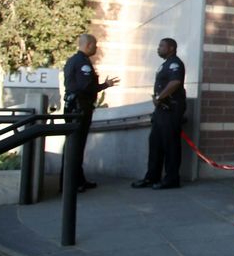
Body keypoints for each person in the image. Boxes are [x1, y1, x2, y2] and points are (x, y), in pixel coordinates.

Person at [62, 33, 119, 192]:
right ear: (88, 45)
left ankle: (76, 180)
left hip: (74, 107)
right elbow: (86, 86)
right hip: (80, 108)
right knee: (76, 146)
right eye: (95, 45)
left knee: (74, 146)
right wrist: (104, 86)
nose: (96, 47)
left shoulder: (73, 60)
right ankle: (73, 183)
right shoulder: (82, 63)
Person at [132, 38, 186, 190]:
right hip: (161, 110)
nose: (158, 48)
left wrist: (160, 97)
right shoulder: (165, 64)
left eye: (161, 46)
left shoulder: (175, 63)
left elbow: (175, 82)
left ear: (171, 48)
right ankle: (152, 177)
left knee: (170, 145)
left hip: (171, 110)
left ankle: (171, 179)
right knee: (155, 143)